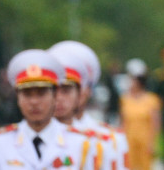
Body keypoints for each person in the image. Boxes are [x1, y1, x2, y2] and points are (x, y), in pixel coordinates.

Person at [0, 49, 98, 170]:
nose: (34, 102)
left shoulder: (82, 143)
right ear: (18, 97)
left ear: (55, 95)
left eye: (41, 93)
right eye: (27, 94)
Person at [49, 40, 128, 169]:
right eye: (54, 89)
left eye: (67, 89)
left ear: (87, 90)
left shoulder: (109, 139)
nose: (59, 97)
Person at [120, 59, 162, 170]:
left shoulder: (152, 99)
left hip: (145, 142)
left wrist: (153, 143)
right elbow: (123, 122)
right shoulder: (125, 99)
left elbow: (156, 123)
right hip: (129, 141)